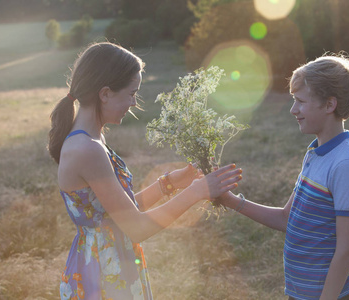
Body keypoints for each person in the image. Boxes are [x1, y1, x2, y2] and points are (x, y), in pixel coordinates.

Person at [48, 42, 242, 300]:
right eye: (131, 93)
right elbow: (136, 227)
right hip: (102, 275)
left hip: (111, 265)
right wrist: (197, 192)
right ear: (104, 93)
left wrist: (169, 184)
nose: (134, 102)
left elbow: (119, 212)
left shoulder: (93, 140)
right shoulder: (86, 148)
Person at [219, 54, 349, 300]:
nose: (293, 110)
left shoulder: (347, 163)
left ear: (329, 105)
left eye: (300, 101)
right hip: (302, 294)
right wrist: (229, 200)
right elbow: (286, 219)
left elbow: (346, 250)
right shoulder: (315, 152)